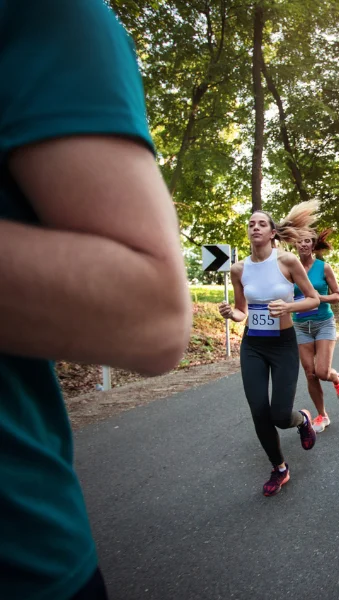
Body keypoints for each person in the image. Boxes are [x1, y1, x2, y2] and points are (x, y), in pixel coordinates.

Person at [0, 1, 193, 598]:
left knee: (287, 400)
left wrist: (300, 307)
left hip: (20, 564)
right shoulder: (245, 263)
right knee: (266, 415)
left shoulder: (44, 14)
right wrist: (238, 309)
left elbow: (157, 315)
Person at [218, 203, 321, 497]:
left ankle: (301, 419)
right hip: (253, 344)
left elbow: (313, 299)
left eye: (261, 223)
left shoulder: (287, 261)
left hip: (283, 343)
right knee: (259, 411)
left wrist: (288, 307)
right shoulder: (239, 269)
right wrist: (232, 314)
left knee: (280, 415)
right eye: (251, 224)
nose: (255, 227)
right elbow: (242, 311)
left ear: (273, 232)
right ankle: (279, 468)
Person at [293, 228, 339, 433]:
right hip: (300, 325)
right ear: (294, 244)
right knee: (310, 373)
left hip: (323, 323)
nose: (303, 244)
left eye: (307, 241)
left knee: (322, 372)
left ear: (313, 244)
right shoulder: (290, 267)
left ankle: (336, 378)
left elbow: (338, 295)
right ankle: (322, 415)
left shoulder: (323, 267)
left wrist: (318, 298)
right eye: (300, 241)